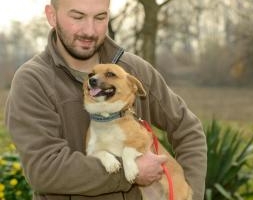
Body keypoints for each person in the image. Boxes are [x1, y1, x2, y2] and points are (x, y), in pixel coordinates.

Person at [4, 0, 207, 199]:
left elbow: (187, 128)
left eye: (100, 17)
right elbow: (44, 170)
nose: (90, 31)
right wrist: (129, 172)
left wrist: (190, 194)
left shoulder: (134, 70)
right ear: (52, 16)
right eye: (78, 17)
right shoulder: (32, 81)